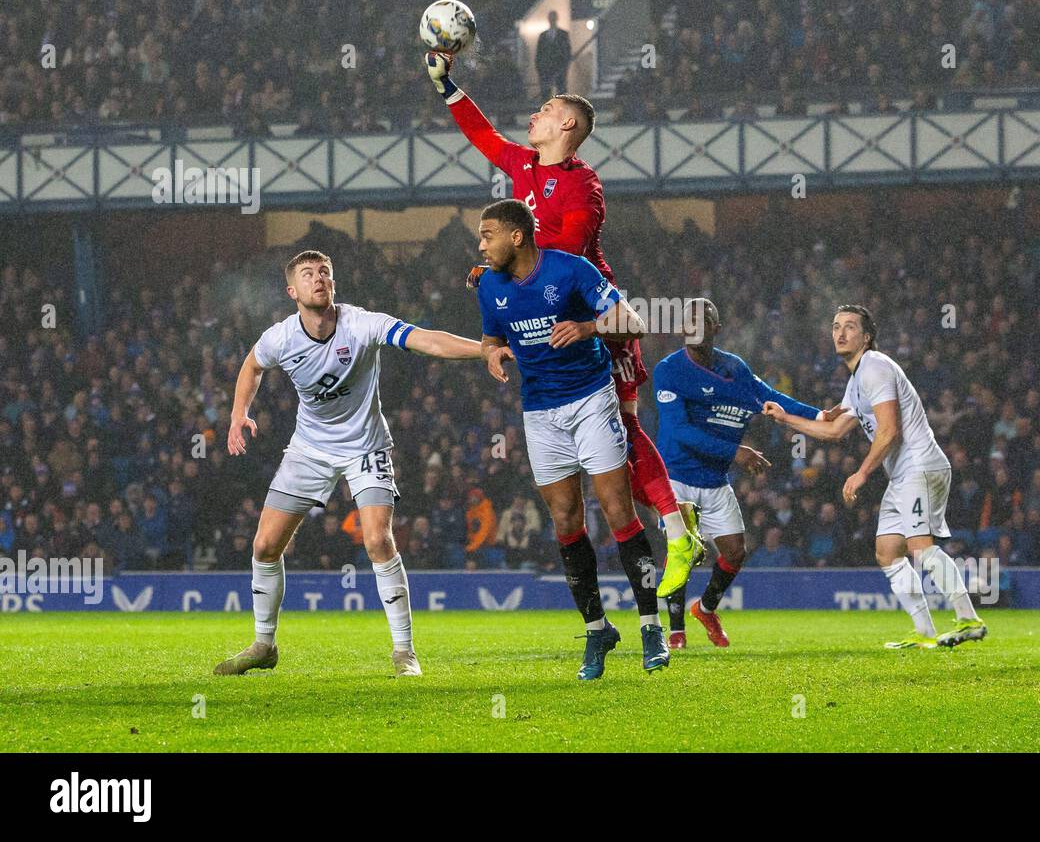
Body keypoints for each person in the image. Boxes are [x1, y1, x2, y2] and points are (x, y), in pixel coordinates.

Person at [425, 49, 705, 597]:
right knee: (614, 454)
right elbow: (482, 137)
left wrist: (502, 260)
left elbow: (568, 253)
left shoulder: (584, 186)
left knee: (625, 430)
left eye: (546, 108)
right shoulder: (524, 167)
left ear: (568, 125)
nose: (534, 113)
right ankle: (681, 520)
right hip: (543, 319)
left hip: (596, 313)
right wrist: (447, 86)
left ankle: (677, 532)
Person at [214, 249, 483, 678]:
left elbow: (425, 339)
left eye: (325, 272)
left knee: (378, 540)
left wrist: (483, 350)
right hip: (309, 449)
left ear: (333, 284)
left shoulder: (361, 324)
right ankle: (264, 645)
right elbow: (252, 366)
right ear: (292, 291)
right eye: (308, 274)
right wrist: (237, 413)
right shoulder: (280, 338)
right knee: (264, 546)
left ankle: (404, 652)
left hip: (366, 447)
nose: (319, 278)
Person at [473, 199, 668, 679]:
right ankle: (598, 629)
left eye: (487, 234)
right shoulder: (489, 285)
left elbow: (634, 323)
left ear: (517, 236)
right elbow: (491, 338)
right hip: (539, 411)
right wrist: (492, 355)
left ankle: (650, 627)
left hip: (590, 399)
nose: (481, 245)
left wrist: (585, 328)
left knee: (618, 511)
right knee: (564, 521)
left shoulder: (571, 270)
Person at [766, 305, 987, 649]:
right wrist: (785, 419)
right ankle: (925, 632)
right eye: (836, 326)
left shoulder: (875, 366)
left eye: (850, 327)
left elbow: (889, 430)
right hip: (902, 475)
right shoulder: (856, 381)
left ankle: (969, 619)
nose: (840, 332)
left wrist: (861, 473)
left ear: (866, 337)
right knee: (887, 551)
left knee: (920, 546)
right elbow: (834, 430)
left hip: (920, 465)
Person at [653, 298, 832, 648]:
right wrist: (736, 451)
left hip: (715, 481)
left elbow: (772, 399)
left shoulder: (735, 369)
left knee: (736, 552)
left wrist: (822, 416)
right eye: (688, 321)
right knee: (682, 550)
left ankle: (705, 609)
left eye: (703, 320)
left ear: (716, 328)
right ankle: (675, 631)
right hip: (677, 477)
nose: (694, 326)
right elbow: (679, 432)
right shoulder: (669, 370)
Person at [534, 11, 571, 98]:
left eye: (553, 17)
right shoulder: (543, 35)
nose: (552, 19)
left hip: (559, 66)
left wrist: (565, 65)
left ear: (556, 19)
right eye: (551, 17)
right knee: (545, 92)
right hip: (546, 67)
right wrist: (539, 66)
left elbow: (567, 50)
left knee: (561, 91)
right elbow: (539, 52)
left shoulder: (563, 34)